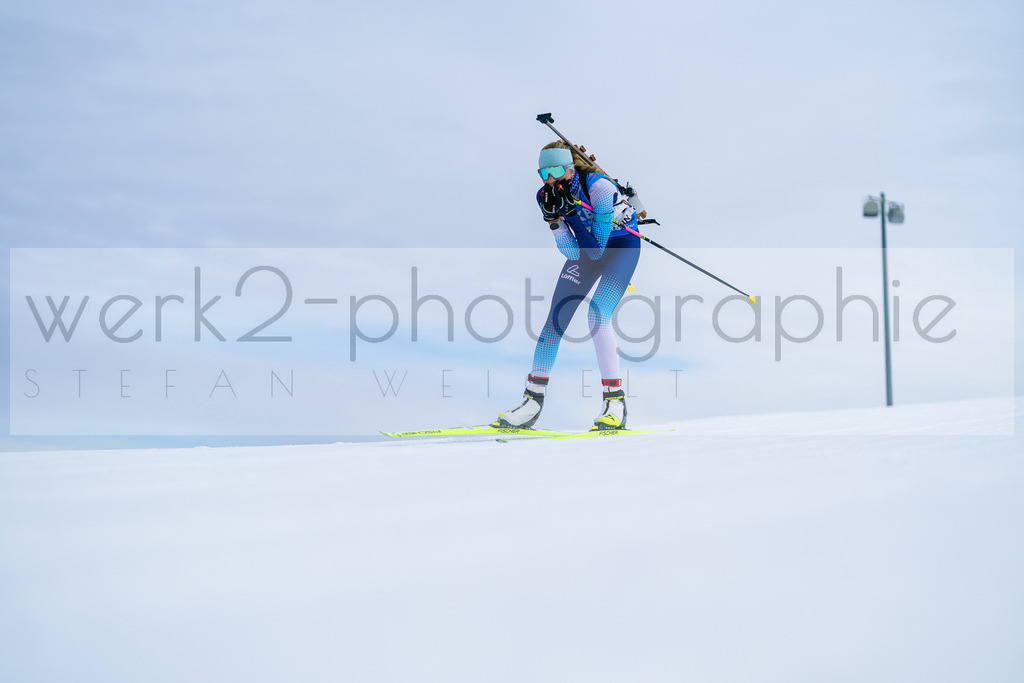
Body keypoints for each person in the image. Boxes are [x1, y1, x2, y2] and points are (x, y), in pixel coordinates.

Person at [493, 141, 641, 430]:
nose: (550, 180)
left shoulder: (599, 188)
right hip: (586, 251)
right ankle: (532, 402)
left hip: (620, 248)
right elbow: (574, 253)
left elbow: (598, 250)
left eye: (557, 170)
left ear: (571, 168)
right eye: (543, 173)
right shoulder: (544, 195)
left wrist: (571, 215)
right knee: (554, 320)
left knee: (597, 316)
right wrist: (553, 220)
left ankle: (615, 403)